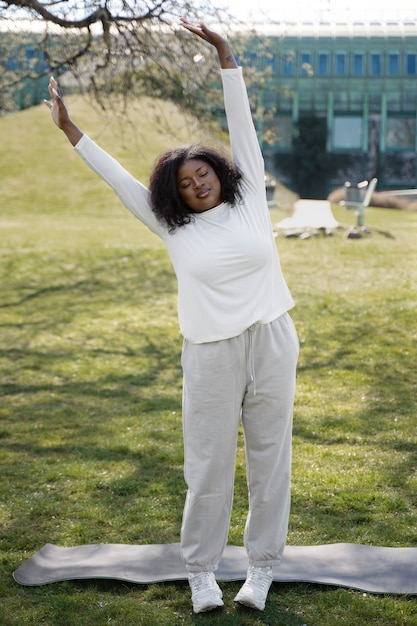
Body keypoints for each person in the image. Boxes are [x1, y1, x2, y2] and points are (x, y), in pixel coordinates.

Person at [44, 17, 299, 614]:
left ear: (220, 172)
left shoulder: (250, 202)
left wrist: (226, 55)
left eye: (203, 173)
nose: (197, 184)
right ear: (176, 194)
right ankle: (202, 574)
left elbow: (243, 127)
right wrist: (69, 128)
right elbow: (117, 178)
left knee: (270, 461)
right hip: (209, 351)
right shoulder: (169, 225)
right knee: (207, 466)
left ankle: (261, 570)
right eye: (185, 183)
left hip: (271, 339)